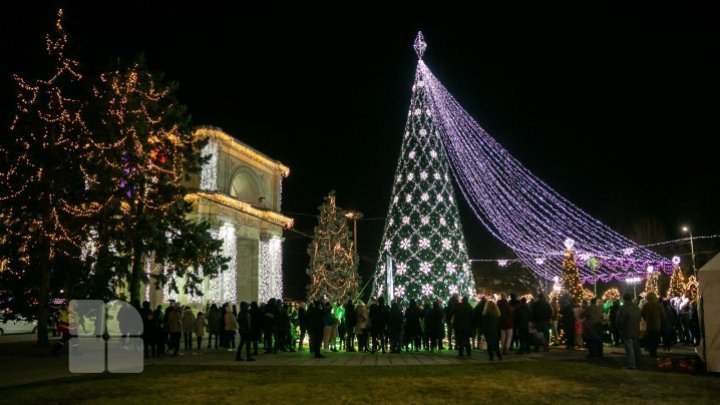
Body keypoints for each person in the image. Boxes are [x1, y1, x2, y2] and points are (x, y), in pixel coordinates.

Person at [616, 293, 641, 369]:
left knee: (629, 348)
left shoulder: (624, 308)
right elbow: (639, 318)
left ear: (624, 299)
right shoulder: (636, 307)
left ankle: (631, 364)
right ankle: (638, 362)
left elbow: (620, 320)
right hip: (636, 329)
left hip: (627, 329)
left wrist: (619, 328)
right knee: (636, 347)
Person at [641, 292, 663, 357]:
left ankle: (651, 351)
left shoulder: (646, 305)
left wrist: (646, 319)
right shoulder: (659, 305)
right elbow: (662, 315)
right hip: (657, 325)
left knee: (650, 338)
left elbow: (643, 314)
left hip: (649, 325)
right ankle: (654, 350)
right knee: (656, 338)